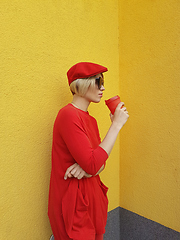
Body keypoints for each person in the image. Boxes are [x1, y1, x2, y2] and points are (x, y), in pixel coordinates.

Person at [48, 62, 129, 240]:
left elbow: (100, 163)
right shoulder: (68, 115)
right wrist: (116, 125)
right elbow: (94, 164)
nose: (103, 87)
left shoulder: (90, 120)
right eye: (98, 82)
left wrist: (85, 169)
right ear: (82, 83)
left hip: (90, 200)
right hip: (73, 206)